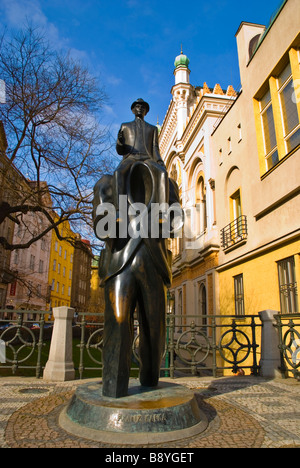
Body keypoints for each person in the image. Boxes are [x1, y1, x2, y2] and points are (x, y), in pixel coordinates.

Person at [93, 99, 181, 398]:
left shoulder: (167, 184)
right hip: (120, 261)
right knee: (118, 321)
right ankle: (112, 387)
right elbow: (99, 225)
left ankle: (151, 381)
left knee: (154, 327)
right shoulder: (108, 182)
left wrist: (163, 217)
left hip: (154, 261)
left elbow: (175, 221)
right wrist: (113, 220)